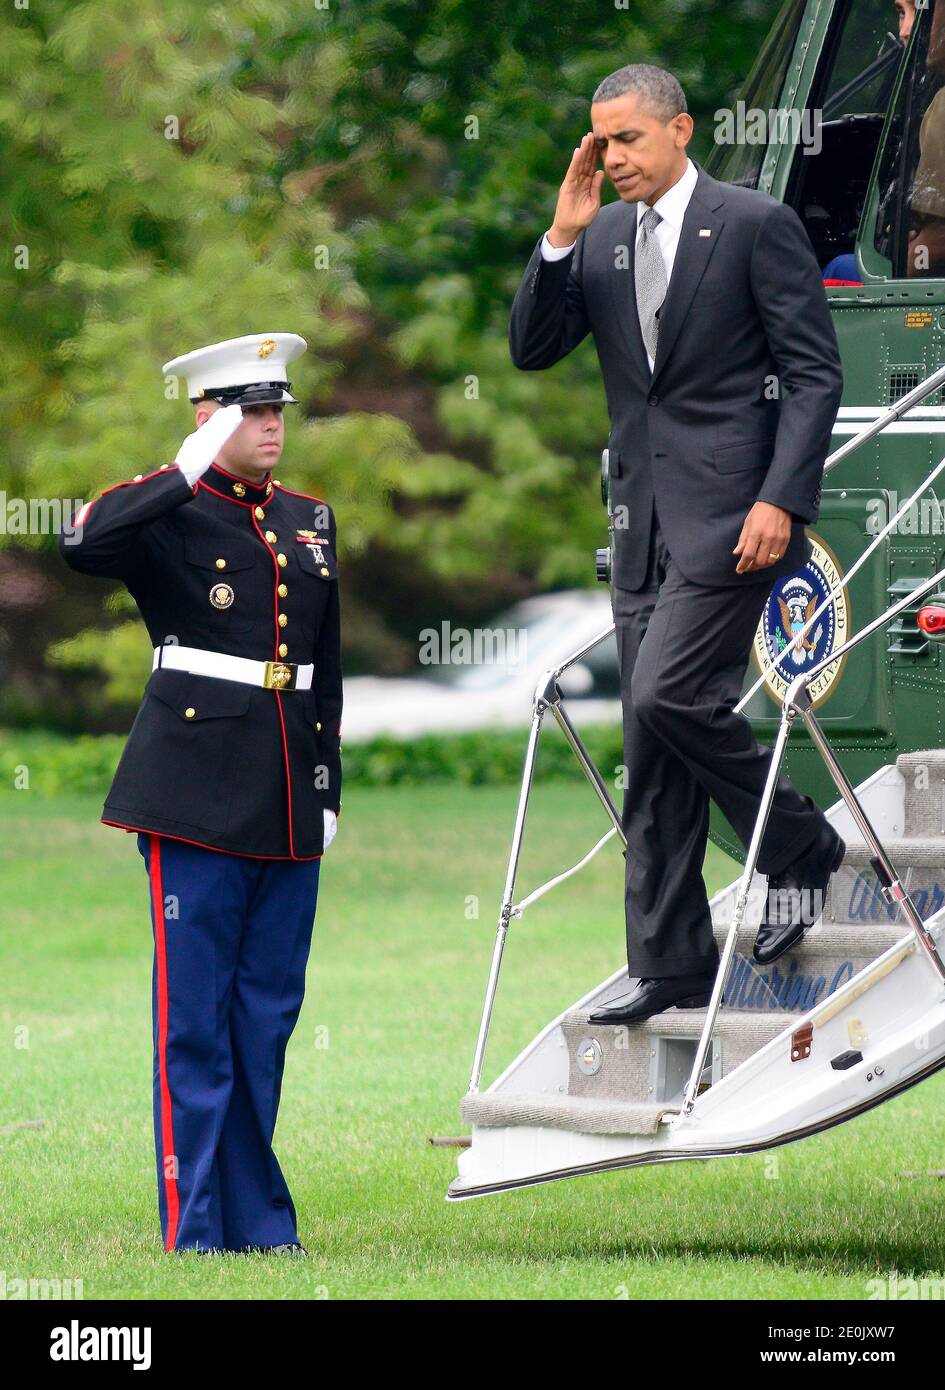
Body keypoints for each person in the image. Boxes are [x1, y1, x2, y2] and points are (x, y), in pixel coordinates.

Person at [509, 65, 845, 1024]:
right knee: (648, 740)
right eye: (601, 142)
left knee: (667, 697)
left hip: (737, 521)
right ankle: (669, 961)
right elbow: (531, 349)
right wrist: (563, 235)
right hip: (638, 524)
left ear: (680, 130)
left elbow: (811, 377)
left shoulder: (752, 224)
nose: (612, 159)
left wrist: (782, 499)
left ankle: (796, 846)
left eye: (628, 140)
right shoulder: (603, 234)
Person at [57, 333, 342, 1252]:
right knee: (196, 1026)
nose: (269, 428)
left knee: (265, 1019)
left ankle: (262, 1225)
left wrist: (327, 783)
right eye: (248, 411)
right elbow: (82, 543)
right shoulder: (163, 512)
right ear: (205, 414)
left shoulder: (309, 516)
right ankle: (198, 1226)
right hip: (192, 794)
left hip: (287, 794)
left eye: (275, 412)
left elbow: (321, 667)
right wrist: (180, 472)